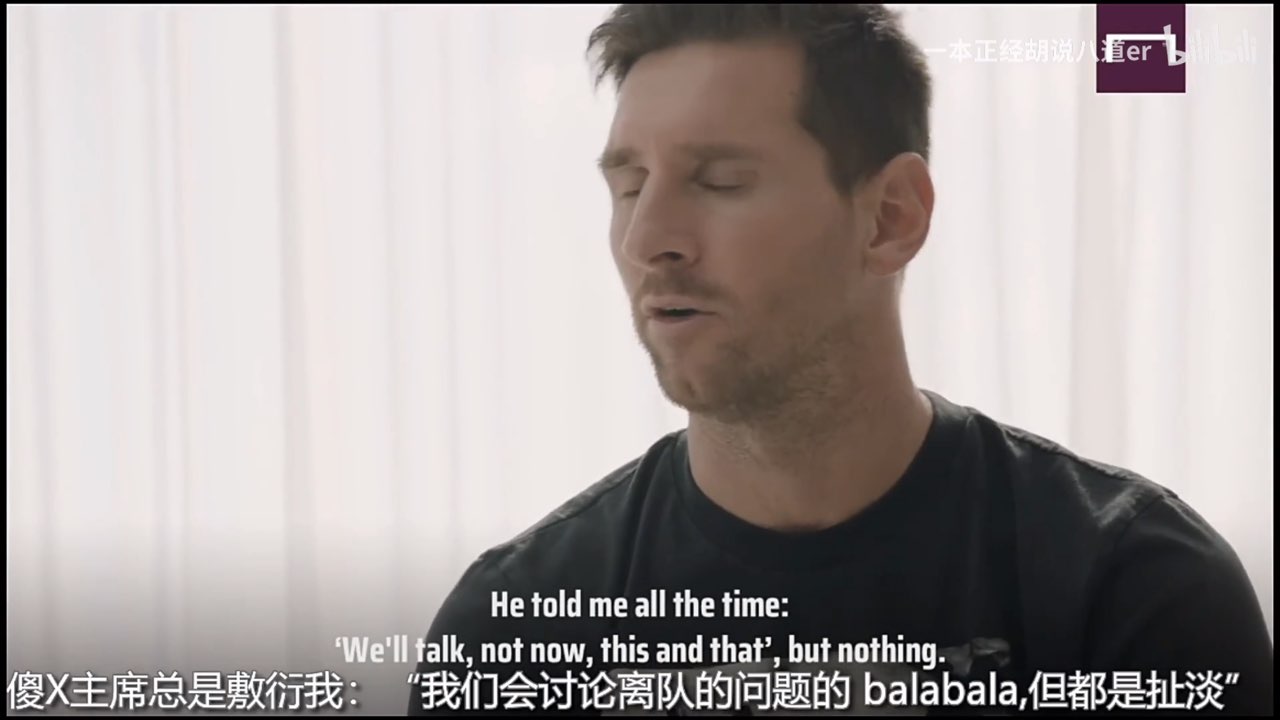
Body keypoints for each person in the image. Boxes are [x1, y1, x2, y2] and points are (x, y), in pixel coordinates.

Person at [408, 4, 1273, 715]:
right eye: (629, 186)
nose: (647, 239)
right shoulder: (516, 638)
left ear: (891, 217)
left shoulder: (1134, 593)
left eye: (719, 180)